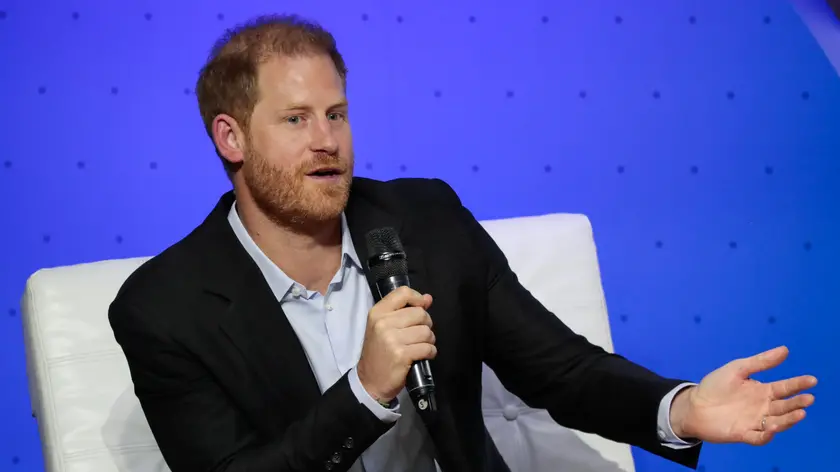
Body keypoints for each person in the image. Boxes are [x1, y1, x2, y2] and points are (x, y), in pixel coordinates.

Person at [108, 13, 817, 472]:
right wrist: (364, 391)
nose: (328, 142)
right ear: (230, 137)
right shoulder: (163, 309)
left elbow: (558, 370)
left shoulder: (424, 219)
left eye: (337, 114)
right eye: (295, 120)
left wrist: (679, 407)